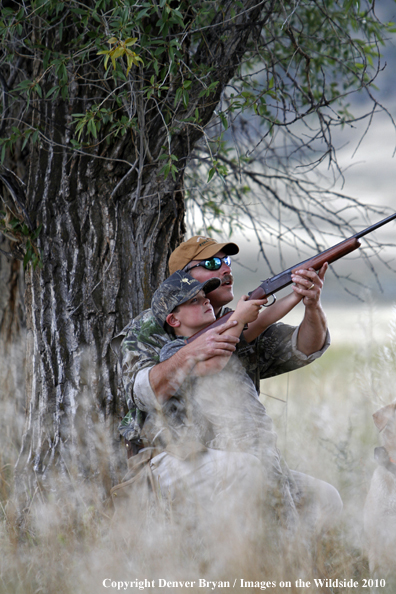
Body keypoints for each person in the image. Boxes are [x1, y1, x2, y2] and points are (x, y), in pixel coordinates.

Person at [117, 236, 342, 534]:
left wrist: (307, 301)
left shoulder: (232, 320)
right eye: (212, 263)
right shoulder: (152, 327)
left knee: (325, 498)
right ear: (183, 278)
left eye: (227, 262)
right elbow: (146, 391)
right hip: (175, 457)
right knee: (249, 472)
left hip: (242, 450)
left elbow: (303, 346)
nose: (225, 269)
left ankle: (290, 569)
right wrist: (218, 335)